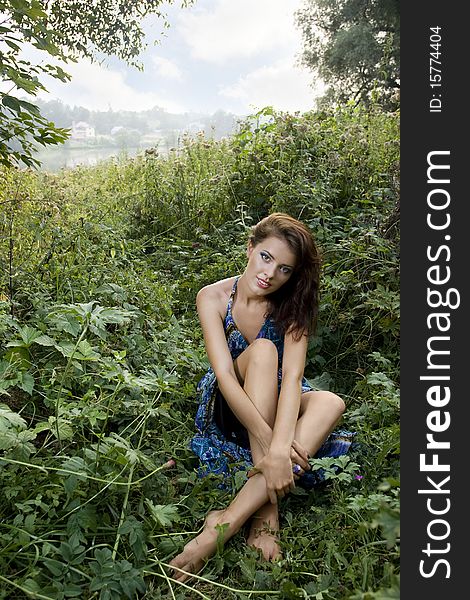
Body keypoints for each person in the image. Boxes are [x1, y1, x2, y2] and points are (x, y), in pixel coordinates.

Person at [169, 213, 354, 582]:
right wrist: (274, 448)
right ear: (251, 247)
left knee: (331, 402)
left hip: (278, 392)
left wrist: (283, 445)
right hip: (229, 401)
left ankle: (225, 522)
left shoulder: (291, 303)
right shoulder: (213, 296)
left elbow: (294, 379)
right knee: (265, 351)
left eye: (285, 269)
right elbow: (223, 375)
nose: (271, 274)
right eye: (266, 257)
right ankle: (266, 517)